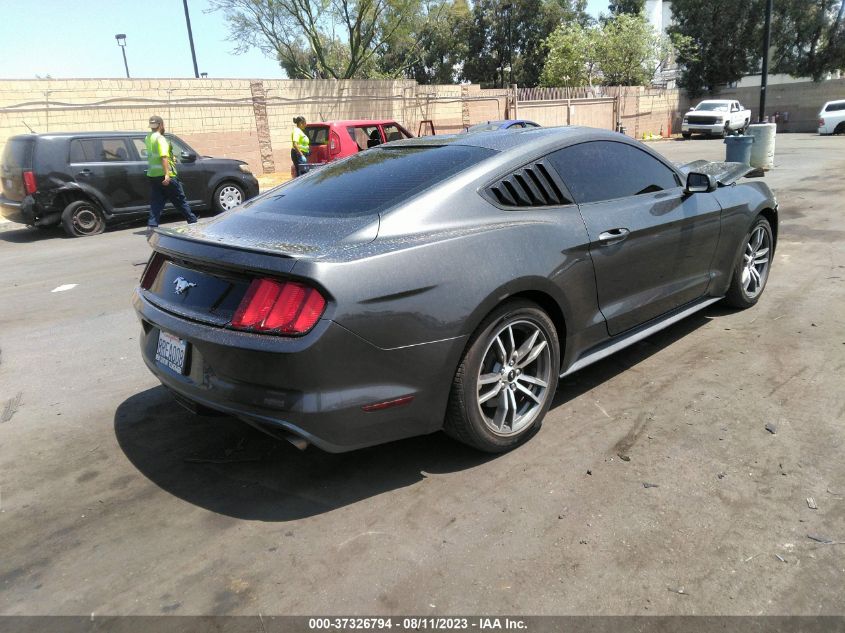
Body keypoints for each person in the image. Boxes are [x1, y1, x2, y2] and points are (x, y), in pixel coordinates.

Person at [145, 115, 197, 231]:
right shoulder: (160, 139)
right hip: (166, 176)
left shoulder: (148, 138)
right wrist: (167, 174)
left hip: (153, 175)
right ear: (161, 125)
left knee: (156, 201)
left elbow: (156, 155)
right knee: (179, 199)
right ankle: (193, 221)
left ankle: (152, 225)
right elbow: (163, 157)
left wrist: (170, 158)